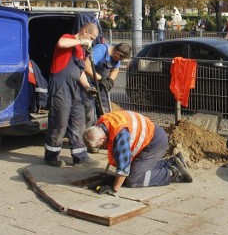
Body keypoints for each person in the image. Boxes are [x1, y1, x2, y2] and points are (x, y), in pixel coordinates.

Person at [83, 110, 192, 192]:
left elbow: (124, 167)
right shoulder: (103, 123)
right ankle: (172, 161)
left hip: (155, 142)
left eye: (100, 145)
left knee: (133, 179)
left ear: (102, 138)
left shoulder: (120, 135)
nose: (102, 147)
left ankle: (172, 173)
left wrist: (114, 188)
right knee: (135, 170)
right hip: (150, 136)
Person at [44, 22, 100, 168]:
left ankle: (80, 156)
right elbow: (61, 43)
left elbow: (79, 71)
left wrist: (88, 87)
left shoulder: (80, 51)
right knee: (59, 121)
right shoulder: (68, 38)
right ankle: (51, 155)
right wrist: (82, 41)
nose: (92, 41)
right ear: (85, 32)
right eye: (92, 38)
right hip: (61, 86)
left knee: (78, 121)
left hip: (75, 87)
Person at [83, 42, 132, 129]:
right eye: (121, 59)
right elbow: (86, 66)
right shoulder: (100, 51)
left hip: (102, 85)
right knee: (89, 112)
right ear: (118, 53)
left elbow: (115, 70)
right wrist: (100, 79)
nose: (120, 61)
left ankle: (104, 131)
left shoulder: (116, 58)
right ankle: (89, 132)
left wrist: (110, 80)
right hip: (88, 82)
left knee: (105, 110)